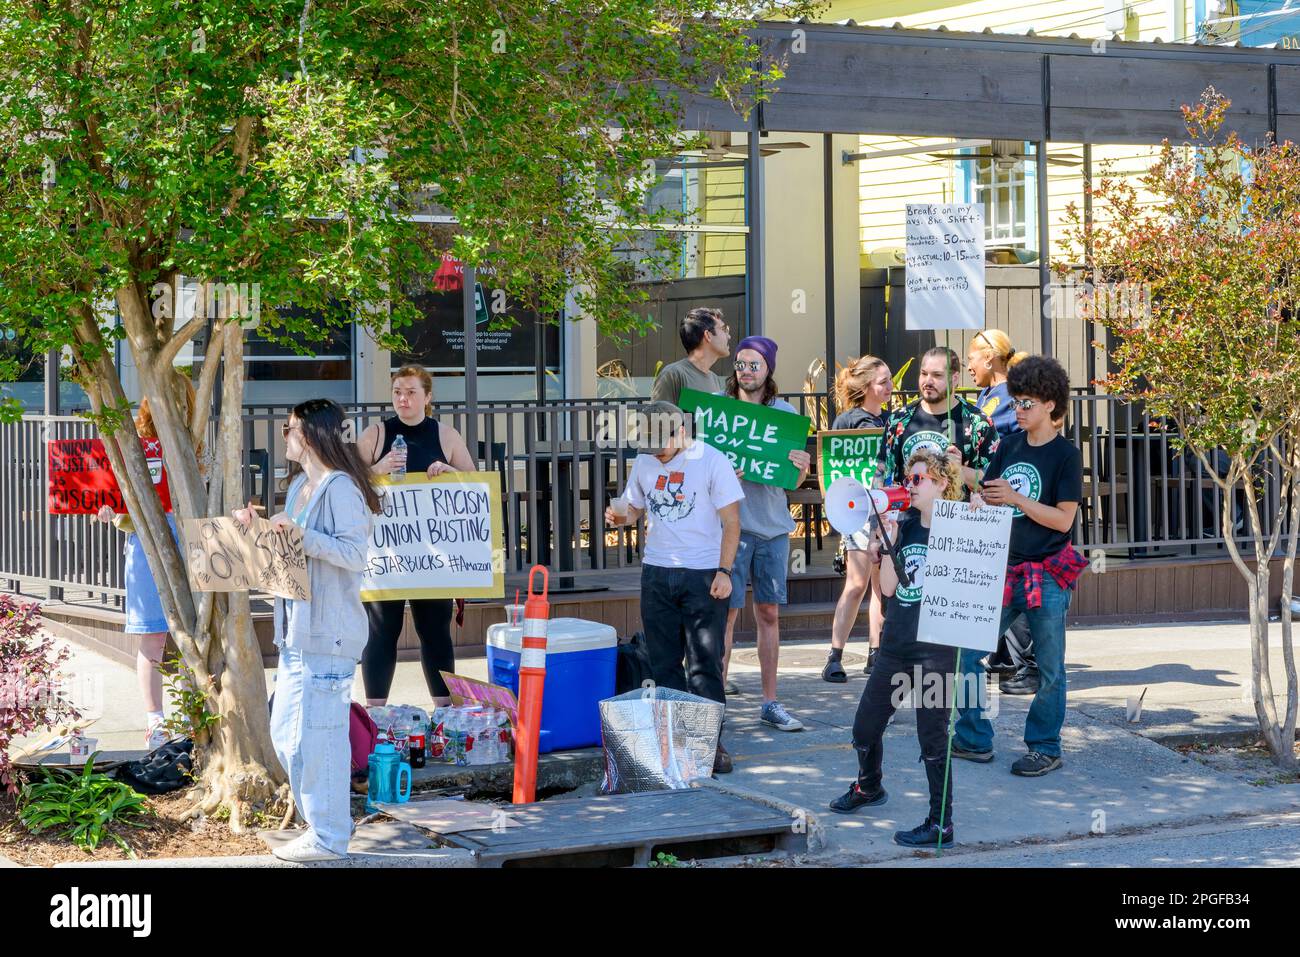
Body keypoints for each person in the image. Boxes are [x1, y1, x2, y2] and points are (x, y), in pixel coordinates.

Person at [235, 398, 383, 862]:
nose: (284, 435)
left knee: (318, 737)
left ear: (313, 433)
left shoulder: (339, 488)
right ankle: (319, 826)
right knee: (288, 734)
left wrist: (299, 536)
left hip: (329, 633)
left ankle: (330, 836)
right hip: (296, 632)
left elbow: (354, 555)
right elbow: (289, 550)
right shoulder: (301, 484)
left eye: (290, 427)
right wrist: (258, 528)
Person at [954, 356, 1087, 777]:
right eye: (1015, 402)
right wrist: (962, 475)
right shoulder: (1009, 446)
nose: (1018, 411)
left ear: (1050, 404)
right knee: (966, 654)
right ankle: (973, 738)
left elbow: (1063, 519)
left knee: (1049, 668)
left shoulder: (1066, 455)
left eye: (1026, 402)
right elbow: (992, 489)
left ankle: (1045, 746)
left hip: (1048, 572)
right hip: (1003, 567)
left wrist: (1016, 500)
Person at [827, 448, 964, 849]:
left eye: (919, 480)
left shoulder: (962, 525)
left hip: (937, 649)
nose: (911, 487)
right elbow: (888, 588)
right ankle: (869, 786)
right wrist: (885, 541)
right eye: (910, 479)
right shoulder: (903, 523)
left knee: (933, 738)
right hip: (898, 644)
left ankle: (942, 822)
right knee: (864, 728)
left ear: (942, 482)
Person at [605, 400, 743, 773]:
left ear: (680, 431)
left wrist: (724, 571)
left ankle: (710, 743)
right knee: (664, 664)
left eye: (661, 446)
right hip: (657, 571)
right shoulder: (646, 461)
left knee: (705, 665)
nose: (657, 455)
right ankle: (677, 743)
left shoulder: (711, 460)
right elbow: (634, 507)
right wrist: (621, 516)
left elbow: (732, 521)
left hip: (702, 572)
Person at [356, 366, 476, 708]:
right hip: (386, 554)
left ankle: (444, 710)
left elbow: (476, 487)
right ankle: (375, 713)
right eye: (397, 392)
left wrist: (450, 472)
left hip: (432, 555)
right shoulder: (376, 435)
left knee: (435, 631)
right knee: (381, 631)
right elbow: (347, 480)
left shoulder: (446, 435)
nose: (403, 399)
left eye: (410, 392)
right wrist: (377, 469)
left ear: (428, 397)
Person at [94, 373, 199, 751]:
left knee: (193, 635)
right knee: (153, 635)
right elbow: (115, 493)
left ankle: (193, 717)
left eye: (177, 397)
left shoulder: (196, 438)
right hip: (147, 537)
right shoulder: (136, 442)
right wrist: (108, 510)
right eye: (162, 395)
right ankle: (155, 720)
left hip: (192, 536)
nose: (170, 403)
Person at [716, 337, 811, 731]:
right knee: (725, 615)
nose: (747, 371)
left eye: (754, 365)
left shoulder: (785, 414)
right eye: (741, 364)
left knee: (769, 613)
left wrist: (803, 465)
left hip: (772, 527)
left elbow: (794, 479)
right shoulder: (720, 414)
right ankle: (714, 703)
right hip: (729, 530)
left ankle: (770, 702)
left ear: (768, 369)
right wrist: (722, 473)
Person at [967, 330, 1039, 695]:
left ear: (990, 358)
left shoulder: (1012, 397)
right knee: (994, 582)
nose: (967, 366)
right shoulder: (987, 395)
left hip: (1010, 499)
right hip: (990, 497)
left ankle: (1029, 665)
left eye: (972, 358)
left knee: (1013, 585)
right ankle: (1001, 658)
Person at [822, 355, 893, 683]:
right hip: (858, 511)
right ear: (867, 387)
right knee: (857, 582)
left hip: (887, 507)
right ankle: (835, 655)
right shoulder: (847, 421)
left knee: (880, 585)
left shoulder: (892, 421)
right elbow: (833, 466)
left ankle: (875, 653)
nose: (890, 387)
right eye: (883, 381)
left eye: (889, 380)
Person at [875, 346, 998, 495]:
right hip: (907, 516)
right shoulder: (898, 420)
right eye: (924, 373)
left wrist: (959, 470)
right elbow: (882, 472)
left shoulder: (978, 423)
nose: (928, 381)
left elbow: (992, 482)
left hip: (956, 516)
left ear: (955, 378)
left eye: (937, 375)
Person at [650, 306, 731, 406]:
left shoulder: (715, 379)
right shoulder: (673, 374)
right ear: (708, 335)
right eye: (724, 329)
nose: (729, 336)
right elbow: (658, 419)